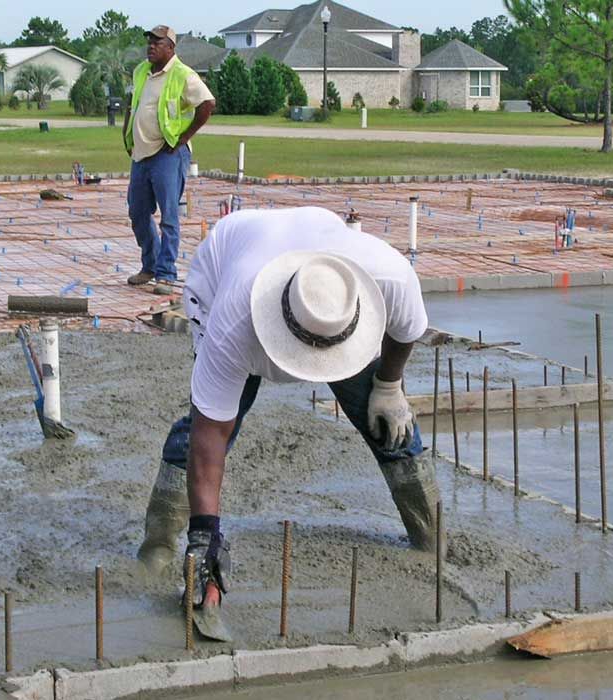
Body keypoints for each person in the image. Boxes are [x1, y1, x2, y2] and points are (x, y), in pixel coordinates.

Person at [136, 206, 440, 640]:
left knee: (390, 425)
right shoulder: (234, 320)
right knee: (213, 427)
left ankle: (431, 542)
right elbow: (210, 435)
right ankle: (159, 548)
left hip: (320, 287)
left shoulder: (388, 278)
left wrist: (389, 385)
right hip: (230, 278)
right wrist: (205, 540)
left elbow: (408, 331)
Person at [123, 25, 215, 296]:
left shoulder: (183, 74)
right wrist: (126, 134)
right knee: (138, 213)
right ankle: (149, 266)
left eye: (157, 42)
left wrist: (183, 138)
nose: (151, 46)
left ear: (171, 48)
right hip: (140, 155)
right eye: (149, 41)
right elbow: (134, 103)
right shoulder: (141, 70)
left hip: (168, 154)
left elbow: (207, 104)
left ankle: (166, 273)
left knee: (169, 217)